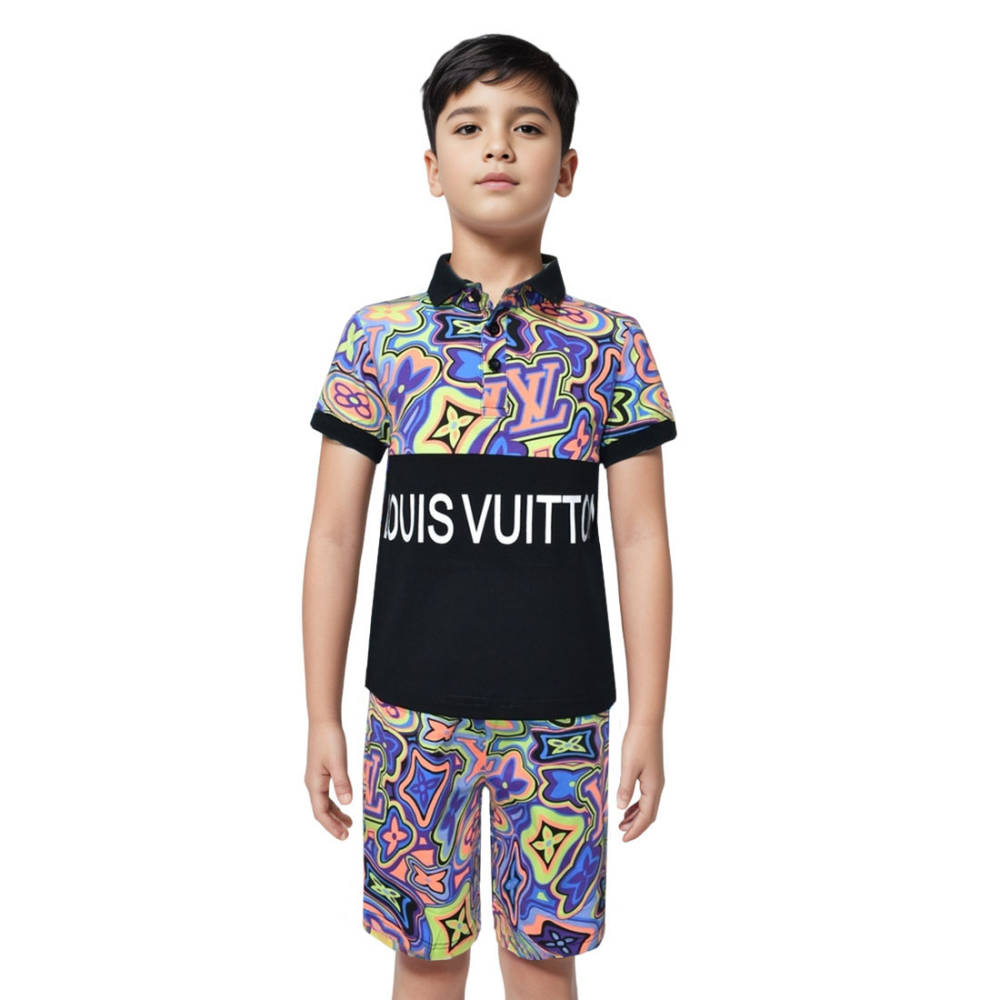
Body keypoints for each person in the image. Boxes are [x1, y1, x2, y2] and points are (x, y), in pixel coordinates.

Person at [303, 33, 677, 1000]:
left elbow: (641, 537)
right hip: (411, 718)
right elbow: (336, 533)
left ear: (568, 166)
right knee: (424, 957)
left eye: (528, 127)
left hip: (561, 720)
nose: (499, 147)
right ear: (434, 166)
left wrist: (648, 716)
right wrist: (320, 713)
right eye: (469, 128)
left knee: (543, 957)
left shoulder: (609, 346)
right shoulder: (382, 339)